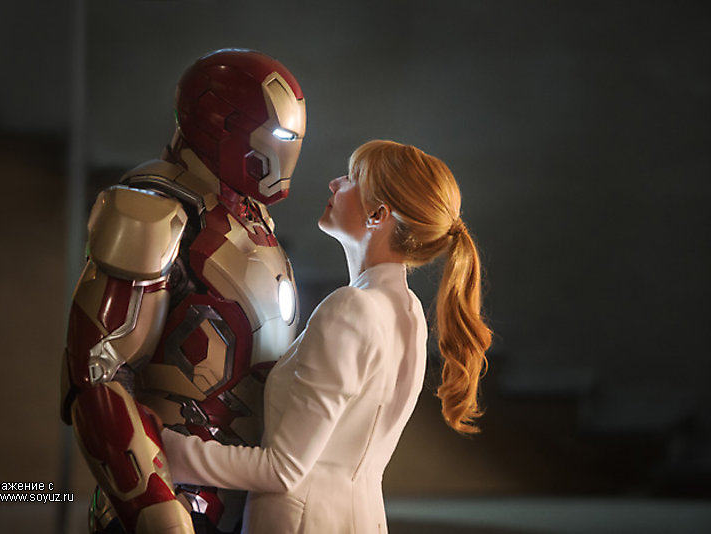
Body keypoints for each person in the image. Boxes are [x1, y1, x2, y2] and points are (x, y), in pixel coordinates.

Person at [160, 139, 493, 533]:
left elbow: (282, 469)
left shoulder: (351, 308)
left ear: (378, 215)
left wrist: (162, 446)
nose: (335, 183)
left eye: (351, 178)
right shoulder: (409, 312)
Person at [60, 49, 306, 534]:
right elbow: (98, 371)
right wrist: (150, 502)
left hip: (248, 504)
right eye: (279, 137)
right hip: (169, 498)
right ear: (224, 125)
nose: (287, 152)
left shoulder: (254, 226)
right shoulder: (150, 214)